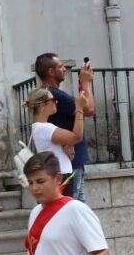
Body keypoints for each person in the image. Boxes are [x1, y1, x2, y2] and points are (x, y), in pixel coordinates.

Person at [34, 53, 95, 201]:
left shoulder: (51, 94)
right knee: (75, 206)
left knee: (78, 207)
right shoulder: (54, 94)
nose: (64, 69)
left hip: (68, 159)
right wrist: (85, 83)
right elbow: (89, 110)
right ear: (51, 72)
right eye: (60, 66)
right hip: (69, 163)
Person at [26, 86, 86, 187]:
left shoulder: (40, 128)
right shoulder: (44, 128)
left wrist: (69, 153)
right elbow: (76, 137)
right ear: (42, 105)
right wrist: (79, 108)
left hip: (61, 175)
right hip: (61, 177)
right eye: (53, 100)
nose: (56, 102)